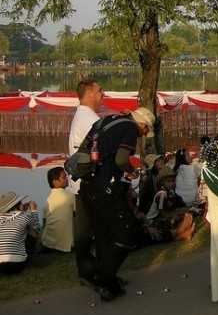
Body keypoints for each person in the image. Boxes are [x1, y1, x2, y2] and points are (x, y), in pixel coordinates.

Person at [78, 107, 154, 301]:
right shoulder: (129, 128)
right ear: (143, 124)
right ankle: (100, 276)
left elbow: (84, 149)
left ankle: (109, 282)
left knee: (104, 233)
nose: (143, 135)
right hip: (106, 187)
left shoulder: (106, 120)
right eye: (145, 131)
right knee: (126, 234)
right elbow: (121, 159)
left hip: (87, 185)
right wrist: (131, 170)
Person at [67, 79, 103, 285]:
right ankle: (93, 271)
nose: (102, 95)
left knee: (84, 229)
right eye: (99, 91)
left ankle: (89, 270)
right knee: (92, 229)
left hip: (81, 183)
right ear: (89, 94)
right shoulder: (89, 120)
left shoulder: (81, 115)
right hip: (90, 183)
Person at [0, 192, 39, 274]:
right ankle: (27, 264)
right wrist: (33, 210)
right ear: (17, 205)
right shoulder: (25, 216)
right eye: (20, 203)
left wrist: (20, 211)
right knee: (33, 231)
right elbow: (36, 227)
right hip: (17, 266)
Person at [40, 166, 75, 253]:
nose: (67, 178)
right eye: (64, 177)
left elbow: (44, 224)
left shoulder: (47, 201)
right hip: (65, 246)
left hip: (47, 243)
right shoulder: (71, 196)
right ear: (55, 182)